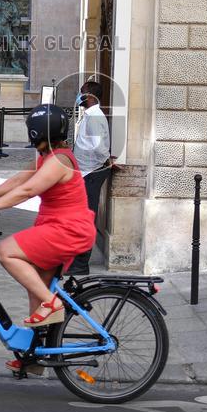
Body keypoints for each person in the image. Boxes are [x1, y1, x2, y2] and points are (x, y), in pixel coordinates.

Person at [0, 104, 95, 372]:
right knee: (35, 285)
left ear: (38, 131)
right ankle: (34, 358)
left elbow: (27, 190)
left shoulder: (59, 161)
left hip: (67, 230)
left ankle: (53, 303)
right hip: (57, 227)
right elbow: (19, 180)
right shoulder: (48, 157)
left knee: (5, 251)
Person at [69, 80, 114, 275]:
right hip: (87, 171)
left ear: (89, 96)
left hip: (91, 173)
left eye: (82, 93)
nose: (79, 96)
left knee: (86, 217)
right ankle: (77, 261)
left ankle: (80, 264)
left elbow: (98, 147)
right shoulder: (90, 116)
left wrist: (105, 162)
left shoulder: (94, 117)